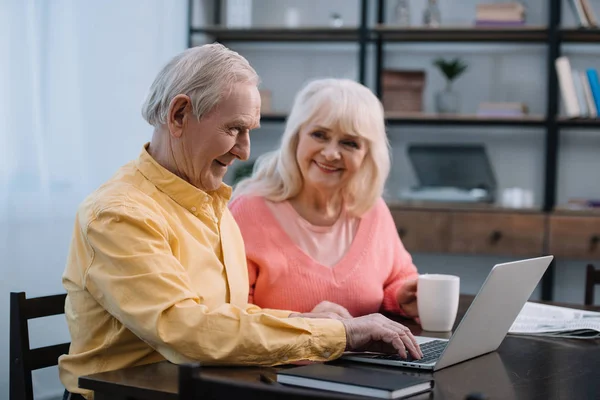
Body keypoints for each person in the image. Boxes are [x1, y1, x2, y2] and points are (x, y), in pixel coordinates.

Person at [58, 44, 422, 400]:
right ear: (179, 115)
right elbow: (187, 330)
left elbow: (229, 318)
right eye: (234, 129)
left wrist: (321, 325)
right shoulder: (119, 214)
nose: (245, 150)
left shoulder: (211, 204)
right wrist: (340, 333)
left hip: (206, 386)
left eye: (249, 132)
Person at [230, 78, 420, 319]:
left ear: (367, 154)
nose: (331, 154)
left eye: (349, 143)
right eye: (319, 135)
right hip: (279, 358)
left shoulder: (373, 210)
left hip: (363, 358)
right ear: (296, 137)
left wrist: (402, 296)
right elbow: (229, 315)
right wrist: (303, 325)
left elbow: (398, 277)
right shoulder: (248, 211)